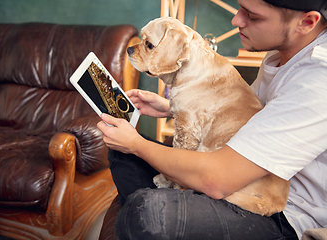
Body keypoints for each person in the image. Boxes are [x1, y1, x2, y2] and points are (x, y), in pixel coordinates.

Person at [96, 0, 327, 239]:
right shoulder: (283, 52)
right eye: (240, 8)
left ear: (306, 23)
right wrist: (171, 108)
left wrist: (137, 144)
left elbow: (217, 179)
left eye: (253, 16)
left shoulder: (318, 80)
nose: (236, 20)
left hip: (280, 211)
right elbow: (245, 112)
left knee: (147, 213)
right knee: (121, 153)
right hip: (235, 168)